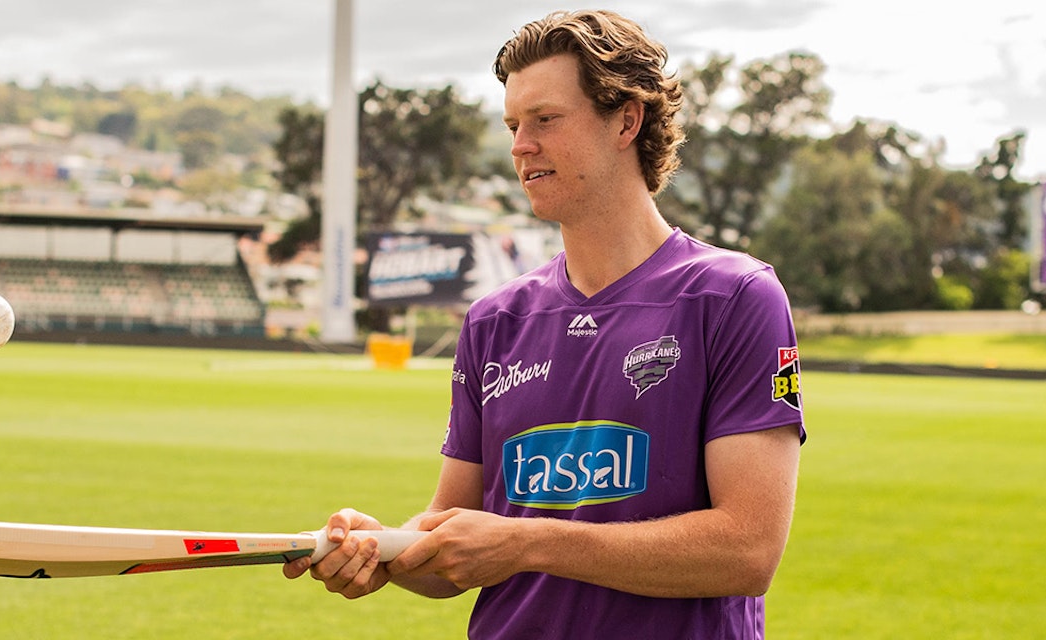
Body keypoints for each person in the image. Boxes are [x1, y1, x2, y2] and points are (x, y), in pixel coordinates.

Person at [285, 9, 806, 638]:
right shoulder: (494, 320)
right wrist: (383, 552)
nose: (520, 146)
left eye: (545, 120)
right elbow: (454, 539)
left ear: (626, 120)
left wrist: (527, 543)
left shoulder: (734, 297)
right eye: (513, 125)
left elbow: (747, 551)